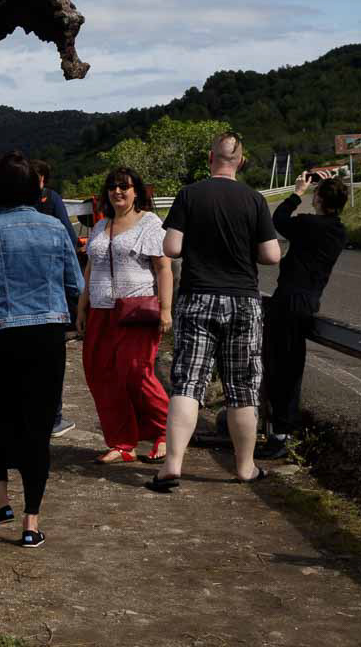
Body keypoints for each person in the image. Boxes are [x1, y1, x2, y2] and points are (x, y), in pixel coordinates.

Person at [0, 151, 84, 548]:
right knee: (38, 423)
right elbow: (76, 285)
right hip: (47, 335)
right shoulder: (54, 229)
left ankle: (1, 501)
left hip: (1, 334)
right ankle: (31, 523)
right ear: (34, 189)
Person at [150, 132, 281, 491]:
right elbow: (272, 256)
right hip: (242, 300)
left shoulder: (190, 194)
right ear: (240, 161)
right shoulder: (254, 200)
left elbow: (172, 247)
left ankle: (172, 465)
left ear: (211, 158)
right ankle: (245, 468)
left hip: (197, 298)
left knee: (188, 383)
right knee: (242, 387)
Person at [76, 166, 172, 464]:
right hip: (101, 311)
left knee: (136, 372)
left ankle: (167, 431)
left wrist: (166, 309)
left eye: (125, 187)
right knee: (101, 375)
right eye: (113, 187)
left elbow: (163, 267)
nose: (118, 192)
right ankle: (122, 443)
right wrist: (82, 306)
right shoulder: (99, 226)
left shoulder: (150, 223)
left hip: (136, 310)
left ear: (136, 192)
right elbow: (90, 269)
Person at [257, 173, 349, 458]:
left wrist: (298, 191)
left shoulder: (309, 224)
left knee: (275, 365)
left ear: (318, 199)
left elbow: (279, 219)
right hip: (309, 301)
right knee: (292, 366)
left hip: (287, 300)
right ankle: (280, 429)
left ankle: (277, 434)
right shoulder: (338, 232)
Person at [31, 159, 80, 437]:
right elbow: (68, 240)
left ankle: (42, 417)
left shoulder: (49, 199)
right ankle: (52, 418)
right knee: (49, 359)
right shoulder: (51, 204)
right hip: (50, 290)